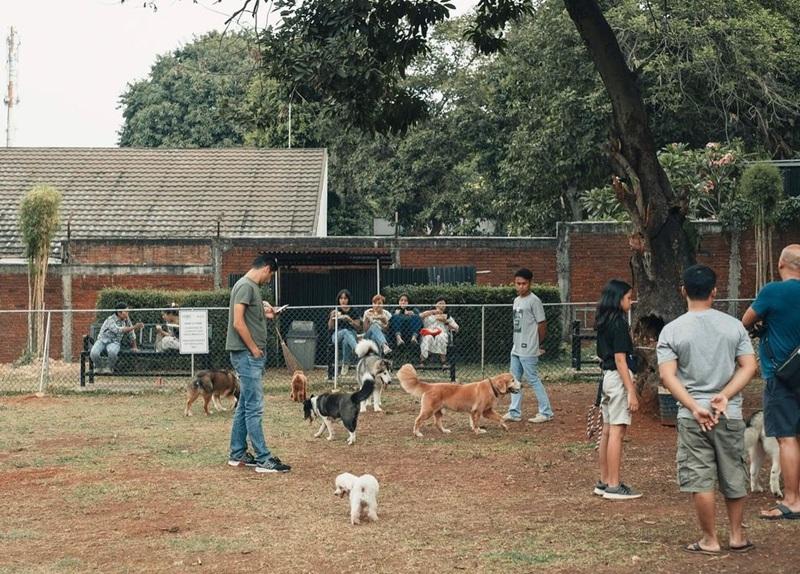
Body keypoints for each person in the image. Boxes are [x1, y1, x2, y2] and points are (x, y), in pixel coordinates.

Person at [657, 264, 757, 554]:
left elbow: (668, 375)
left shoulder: (672, 330)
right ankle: (737, 536)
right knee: (733, 474)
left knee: (701, 477)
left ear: (683, 291)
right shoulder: (734, 326)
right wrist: (724, 395)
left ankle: (709, 539)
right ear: (715, 291)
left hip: (693, 417)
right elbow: (749, 366)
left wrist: (692, 405)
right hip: (729, 414)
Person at [742, 244, 800, 520]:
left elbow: (746, 321)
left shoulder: (773, 292)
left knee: (786, 438)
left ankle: (792, 500)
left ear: (781, 264)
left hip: (782, 375)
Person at [226, 253, 290, 474]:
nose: (269, 280)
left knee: (245, 405)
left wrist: (266, 313)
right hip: (247, 355)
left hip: (247, 355)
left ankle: (237, 453)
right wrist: (254, 349)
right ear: (266, 269)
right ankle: (264, 459)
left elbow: (249, 317)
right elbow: (237, 322)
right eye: (270, 276)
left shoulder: (247, 287)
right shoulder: (246, 286)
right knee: (254, 407)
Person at [593, 279, 641, 500]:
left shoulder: (603, 321)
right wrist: (631, 390)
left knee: (607, 430)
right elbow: (621, 360)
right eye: (628, 297)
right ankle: (614, 485)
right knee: (617, 432)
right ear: (618, 299)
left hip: (607, 378)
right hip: (618, 378)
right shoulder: (619, 323)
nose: (630, 301)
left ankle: (604, 480)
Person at [503, 268, 554, 424]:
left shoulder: (534, 300)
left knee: (533, 379)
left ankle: (546, 412)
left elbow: (542, 323)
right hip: (516, 347)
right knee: (514, 380)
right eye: (518, 283)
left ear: (530, 283)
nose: (520, 287)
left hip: (528, 348)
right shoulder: (516, 301)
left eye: (524, 284)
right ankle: (514, 411)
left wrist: (536, 343)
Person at [89, 301, 144, 373]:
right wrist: (135, 327)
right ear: (119, 312)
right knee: (93, 353)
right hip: (102, 340)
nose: (128, 314)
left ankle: (109, 368)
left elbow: (131, 333)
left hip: (114, 342)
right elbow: (118, 330)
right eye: (126, 312)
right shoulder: (110, 319)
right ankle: (99, 367)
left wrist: (134, 347)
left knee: (112, 352)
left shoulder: (127, 319)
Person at [328, 288, 361, 375]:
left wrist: (350, 320)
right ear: (338, 299)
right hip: (337, 334)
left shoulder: (354, 310)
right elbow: (330, 327)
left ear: (348, 299)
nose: (343, 300)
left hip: (352, 333)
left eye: (345, 298)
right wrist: (332, 317)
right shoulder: (335, 310)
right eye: (341, 298)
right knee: (345, 331)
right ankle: (357, 349)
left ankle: (345, 364)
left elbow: (358, 327)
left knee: (346, 340)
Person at [419, 297, 459, 368]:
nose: (442, 305)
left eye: (444, 304)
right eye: (440, 303)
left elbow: (456, 328)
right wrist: (433, 312)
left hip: (441, 332)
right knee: (427, 338)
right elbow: (419, 316)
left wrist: (445, 322)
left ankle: (443, 362)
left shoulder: (447, 317)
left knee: (441, 337)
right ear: (436, 305)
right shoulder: (429, 314)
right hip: (428, 332)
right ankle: (422, 361)